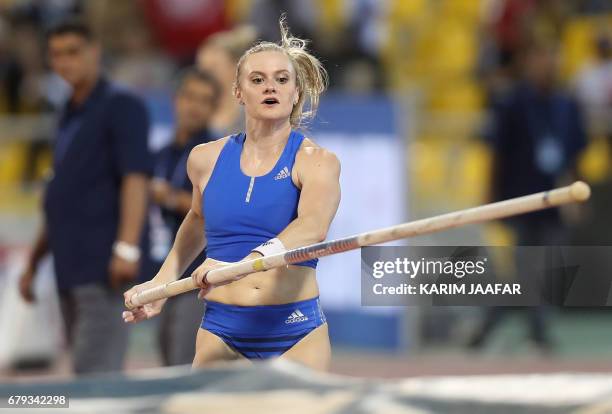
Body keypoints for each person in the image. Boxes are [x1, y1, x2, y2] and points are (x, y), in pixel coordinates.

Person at [124, 17, 341, 371]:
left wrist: (242, 265)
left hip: (294, 332)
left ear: (296, 92)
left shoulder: (317, 161)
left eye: (282, 80)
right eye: (258, 80)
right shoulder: (205, 159)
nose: (270, 87)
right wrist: (161, 286)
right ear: (238, 92)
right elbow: (195, 223)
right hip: (222, 332)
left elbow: (312, 228)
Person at [18, 19, 151, 374]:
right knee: (83, 370)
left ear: (95, 51)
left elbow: (136, 178)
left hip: (103, 265)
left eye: (73, 52)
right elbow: (60, 194)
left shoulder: (121, 105)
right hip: (68, 266)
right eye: (57, 55)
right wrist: (33, 262)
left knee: (96, 377)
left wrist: (126, 246)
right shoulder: (67, 112)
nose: (65, 62)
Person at [469, 41, 587, 352]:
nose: (545, 65)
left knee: (542, 271)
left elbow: (574, 154)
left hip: (556, 202)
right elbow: (496, 153)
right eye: (539, 58)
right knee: (523, 271)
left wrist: (576, 192)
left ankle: (492, 326)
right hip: (518, 201)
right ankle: (534, 333)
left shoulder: (566, 104)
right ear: (527, 61)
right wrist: (490, 197)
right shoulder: (512, 103)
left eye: (550, 58)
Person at [149, 68, 220, 366]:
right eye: (189, 97)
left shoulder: (218, 152)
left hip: (198, 276)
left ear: (214, 108)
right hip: (165, 269)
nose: (194, 106)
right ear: (176, 99)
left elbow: (215, 209)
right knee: (167, 354)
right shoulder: (162, 153)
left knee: (183, 362)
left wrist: (173, 199)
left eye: (204, 100)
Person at [196, 25, 257, 135]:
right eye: (202, 70)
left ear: (236, 67)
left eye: (213, 68)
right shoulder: (195, 111)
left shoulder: (254, 111)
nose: (206, 76)